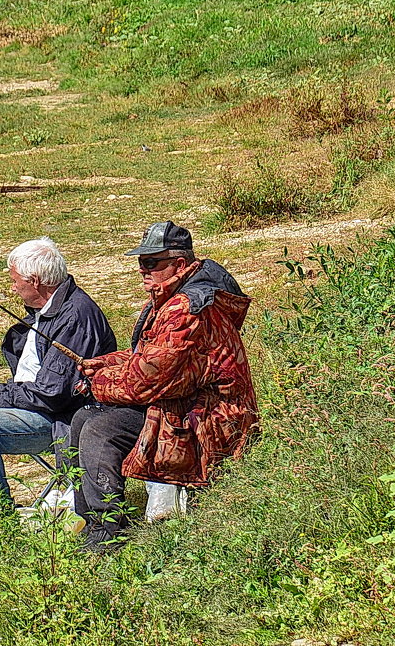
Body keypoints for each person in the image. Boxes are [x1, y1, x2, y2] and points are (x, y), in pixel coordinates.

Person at [71, 221, 258, 550]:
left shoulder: (185, 310)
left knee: (100, 430)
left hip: (208, 421)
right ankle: (94, 521)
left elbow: (146, 383)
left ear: (180, 264)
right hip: (180, 405)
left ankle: (110, 533)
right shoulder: (173, 299)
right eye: (141, 263)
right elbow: (147, 357)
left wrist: (95, 382)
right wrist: (103, 364)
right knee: (82, 418)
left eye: (151, 263)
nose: (143, 271)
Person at [0, 238, 116, 503]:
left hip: (65, 418)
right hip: (34, 406)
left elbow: (54, 393)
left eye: (16, 280)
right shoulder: (43, 311)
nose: (13, 288)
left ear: (35, 280)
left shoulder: (75, 316)